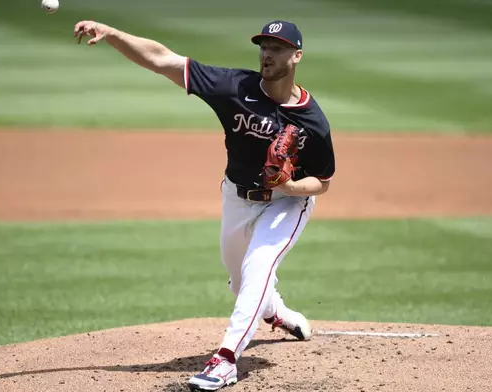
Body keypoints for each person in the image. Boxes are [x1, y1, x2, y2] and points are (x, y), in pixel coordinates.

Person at [74, 19, 336, 391]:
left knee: (258, 267)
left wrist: (291, 185)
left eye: (276, 48)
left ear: (296, 56)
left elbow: (322, 182)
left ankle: (226, 360)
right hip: (236, 197)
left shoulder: (312, 120)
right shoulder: (234, 87)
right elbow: (163, 60)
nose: (267, 54)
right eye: (263, 46)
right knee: (241, 282)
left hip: (286, 205)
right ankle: (275, 312)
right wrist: (113, 34)